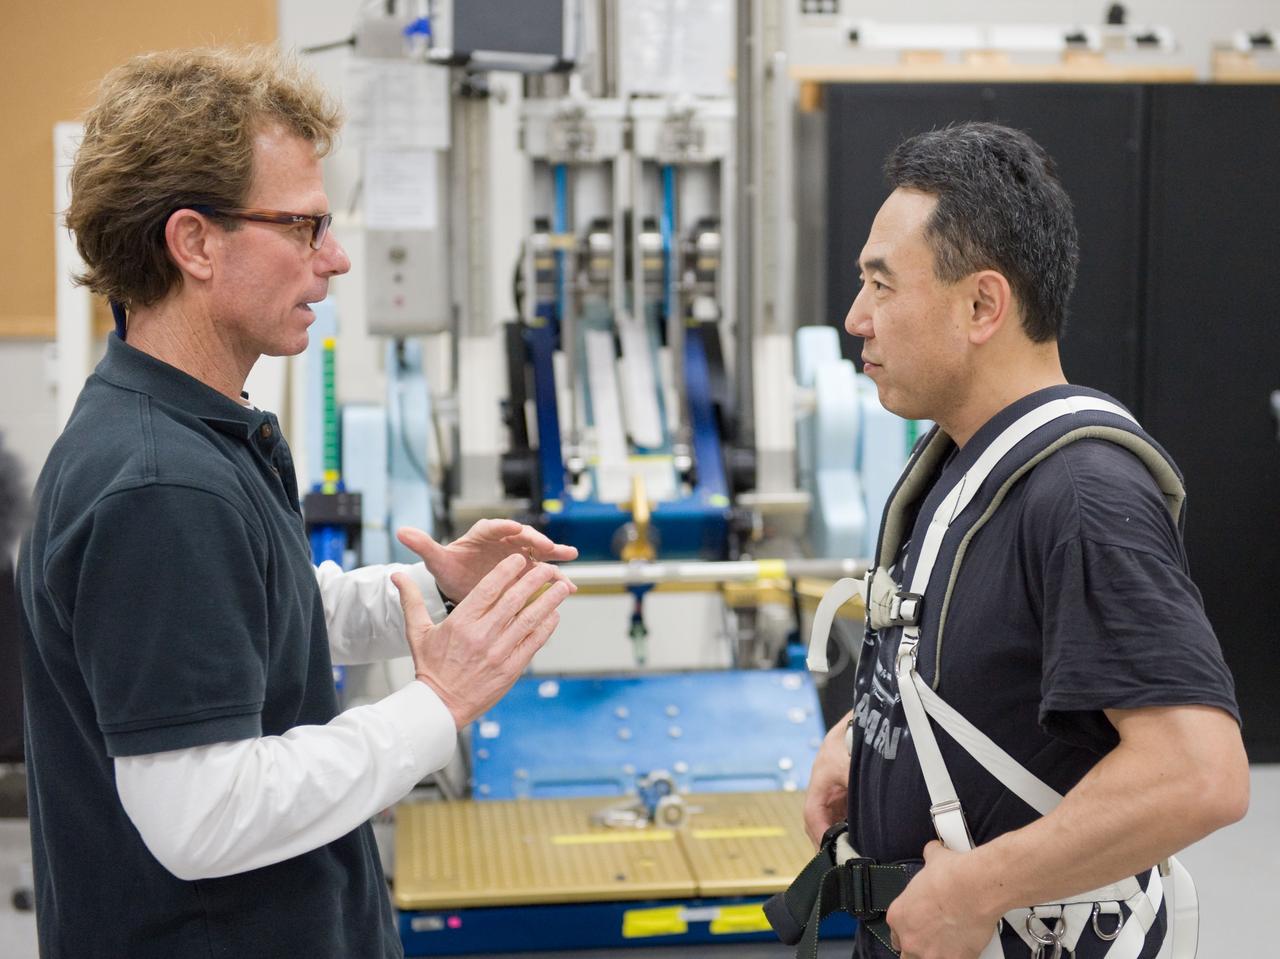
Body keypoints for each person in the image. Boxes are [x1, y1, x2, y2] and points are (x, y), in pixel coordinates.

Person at [16, 47, 577, 959]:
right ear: (195, 242)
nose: (339, 257)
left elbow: (250, 620)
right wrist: (438, 701)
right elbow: (203, 815)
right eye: (305, 226)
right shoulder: (161, 485)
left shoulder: (187, 428)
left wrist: (430, 593)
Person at [801, 123, 1249, 958]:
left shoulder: (1080, 495)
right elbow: (987, 679)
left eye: (881, 285)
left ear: (982, 306)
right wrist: (872, 740)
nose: (857, 317)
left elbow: (1200, 772)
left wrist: (974, 888)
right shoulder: (966, 465)